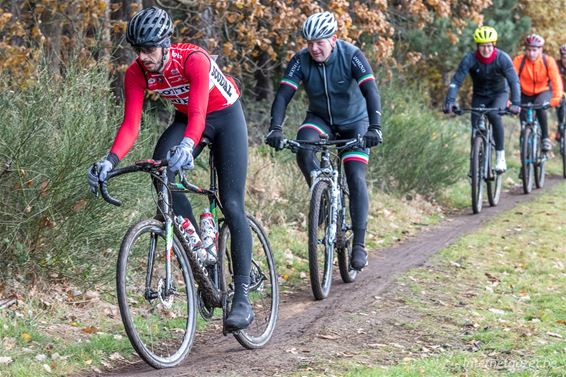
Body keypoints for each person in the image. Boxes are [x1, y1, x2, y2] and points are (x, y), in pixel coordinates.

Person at [87, 6, 254, 331]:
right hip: (189, 118)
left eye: (149, 49)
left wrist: (189, 146)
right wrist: (109, 160)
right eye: (138, 50)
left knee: (232, 204)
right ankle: (201, 250)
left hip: (224, 117)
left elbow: (199, 116)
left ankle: (243, 297)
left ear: (166, 44)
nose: (144, 57)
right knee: (160, 170)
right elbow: (131, 125)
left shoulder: (194, 60)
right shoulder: (137, 72)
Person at [265, 11, 383, 271]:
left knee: (355, 176)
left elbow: (371, 91)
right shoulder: (300, 60)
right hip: (320, 120)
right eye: (309, 42)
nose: (314, 48)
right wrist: (275, 128)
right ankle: (322, 194)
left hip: (355, 122)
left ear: (333, 39)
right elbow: (284, 95)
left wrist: (375, 127)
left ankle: (360, 244)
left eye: (319, 42)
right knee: (304, 147)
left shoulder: (352, 55)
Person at [443, 26, 521, 172]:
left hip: (500, 94)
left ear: (494, 45)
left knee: (493, 115)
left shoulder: (502, 59)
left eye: (489, 46)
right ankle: (476, 163)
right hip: (480, 95)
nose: (486, 49)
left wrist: (516, 102)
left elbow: (514, 82)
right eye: (482, 46)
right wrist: (450, 101)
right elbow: (456, 81)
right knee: (475, 128)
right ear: (477, 46)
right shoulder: (470, 59)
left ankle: (500, 157)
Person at [513, 34, 564, 151]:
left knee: (540, 106)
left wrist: (556, 98)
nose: (531, 53)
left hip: (543, 91)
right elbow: (511, 80)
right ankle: (524, 161)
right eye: (529, 50)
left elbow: (556, 81)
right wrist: (510, 100)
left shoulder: (548, 61)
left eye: (534, 50)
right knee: (523, 124)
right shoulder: (518, 61)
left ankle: (545, 138)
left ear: (540, 50)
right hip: (524, 93)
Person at [555, 44, 566, 140]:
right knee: (560, 106)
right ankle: (560, 126)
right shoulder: (556, 65)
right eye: (564, 58)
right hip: (561, 91)